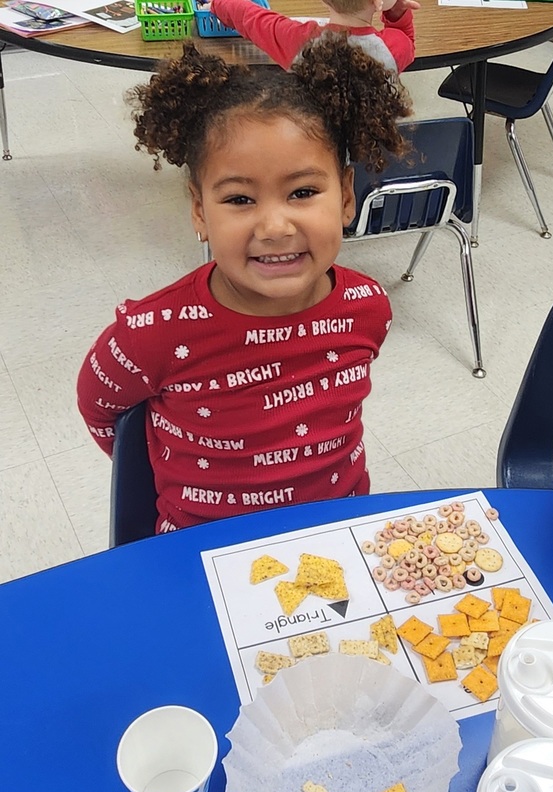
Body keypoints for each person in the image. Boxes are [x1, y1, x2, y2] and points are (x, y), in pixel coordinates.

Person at [77, 36, 411, 534]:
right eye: (238, 200)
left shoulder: (368, 306)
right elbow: (101, 408)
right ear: (199, 211)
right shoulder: (152, 331)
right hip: (200, 549)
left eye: (302, 192)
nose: (275, 227)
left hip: (338, 530)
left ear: (345, 196)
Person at [207, 0, 418, 74]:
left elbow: (249, 17)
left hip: (311, 147)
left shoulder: (299, 40)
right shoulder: (392, 48)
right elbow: (406, 39)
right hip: (370, 150)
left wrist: (217, 3)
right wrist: (396, 14)